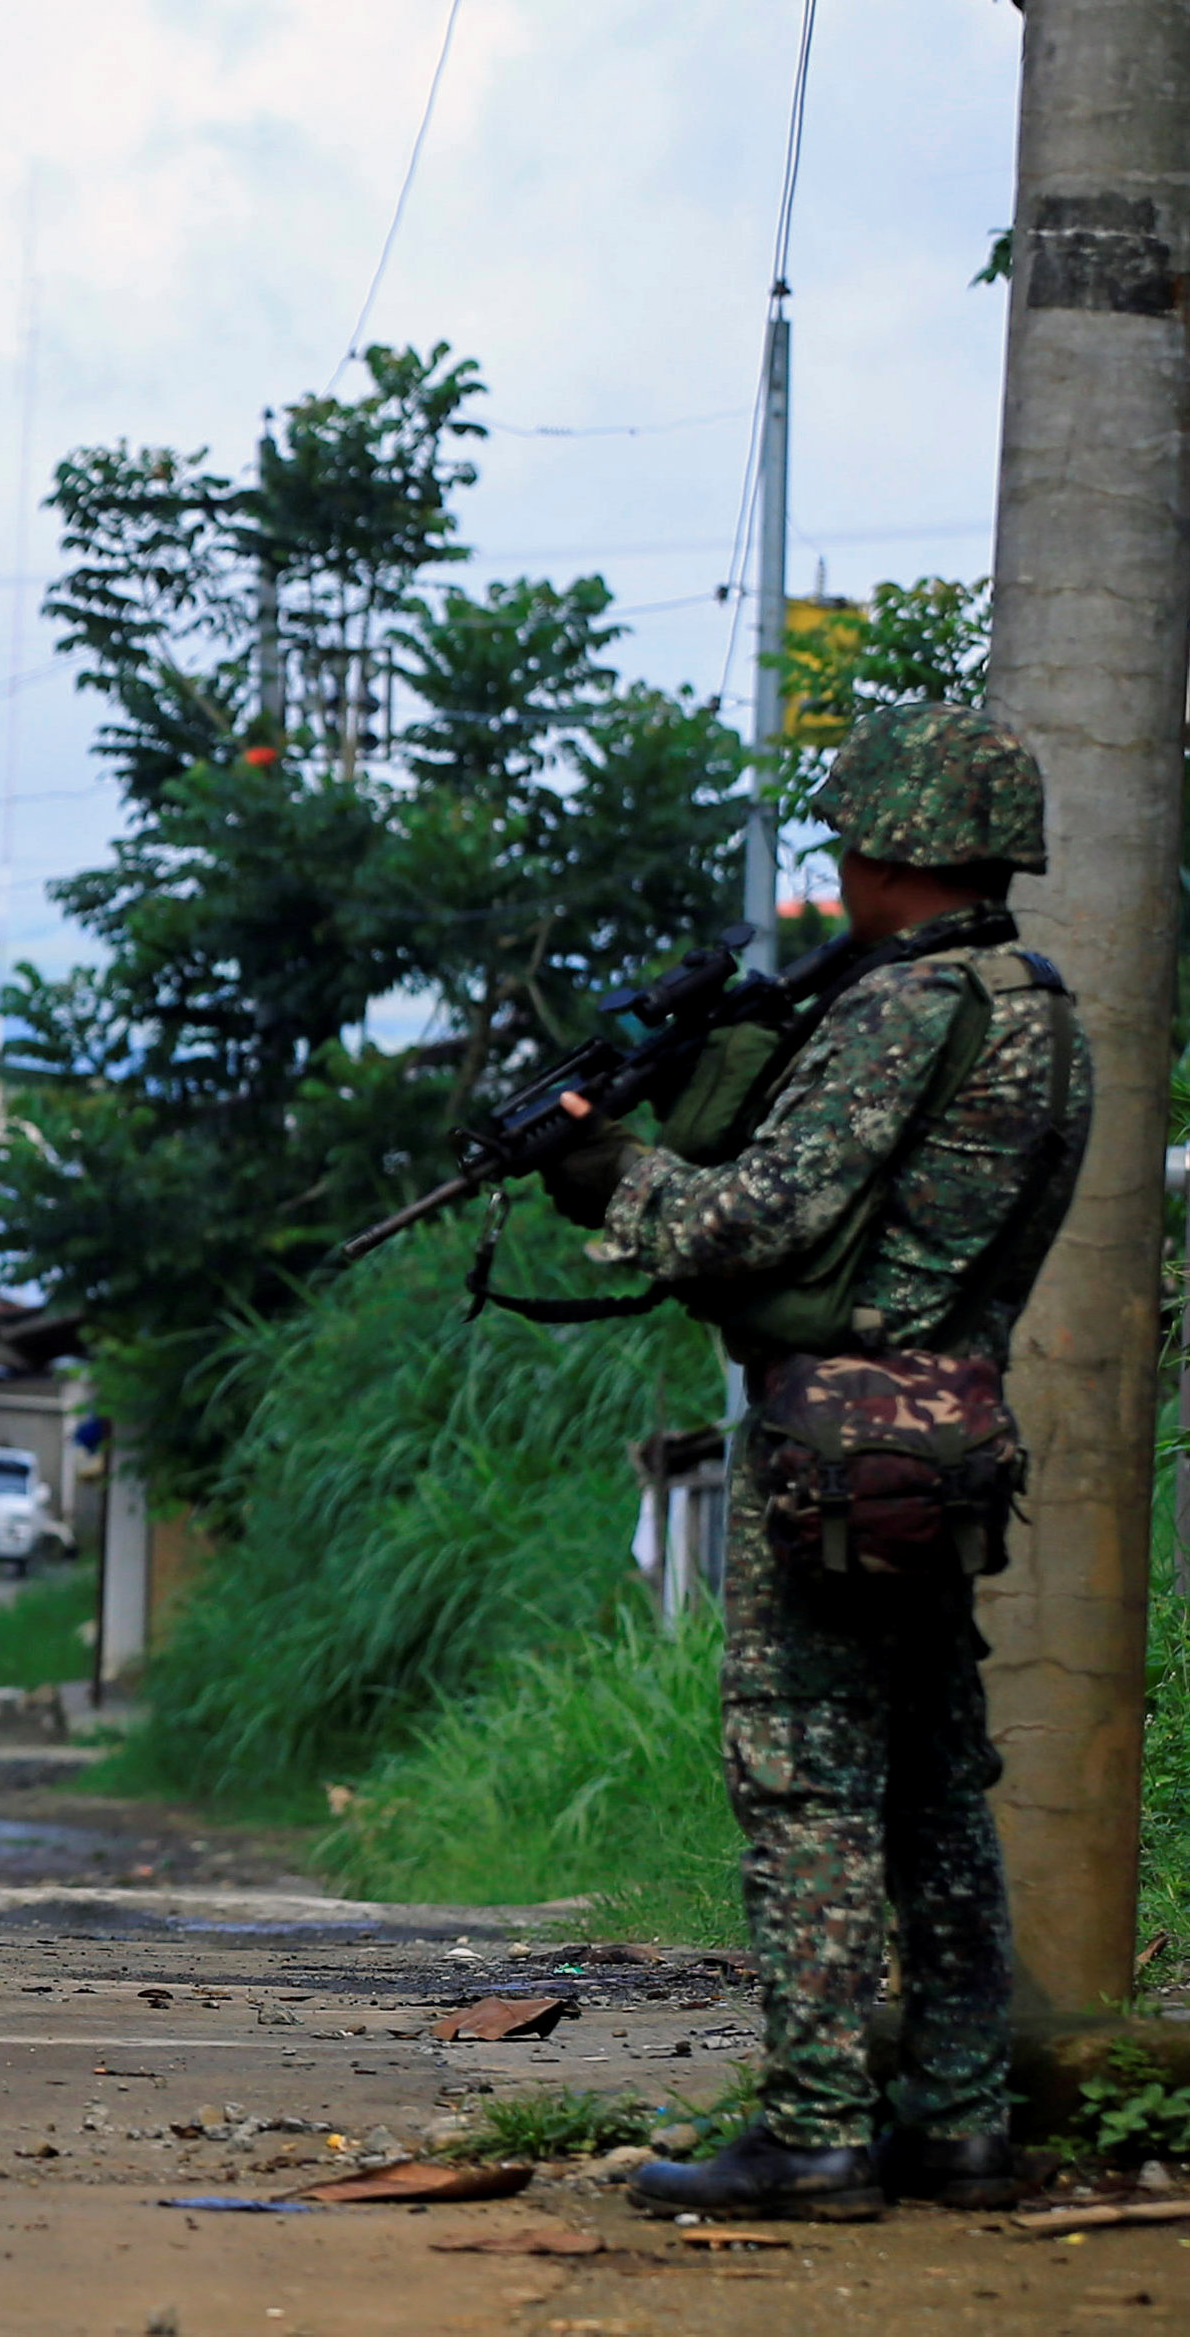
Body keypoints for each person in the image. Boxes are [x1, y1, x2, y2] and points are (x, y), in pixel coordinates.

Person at [536, 702, 1087, 2223]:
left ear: (900, 850)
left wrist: (612, 1173)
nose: (841, 864)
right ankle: (963, 2118)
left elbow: (755, 1222)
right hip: (952, 1435)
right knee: (931, 1783)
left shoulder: (909, 1009)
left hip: (839, 1449)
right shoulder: (1043, 1008)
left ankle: (820, 2124)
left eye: (855, 837)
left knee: (808, 1781)